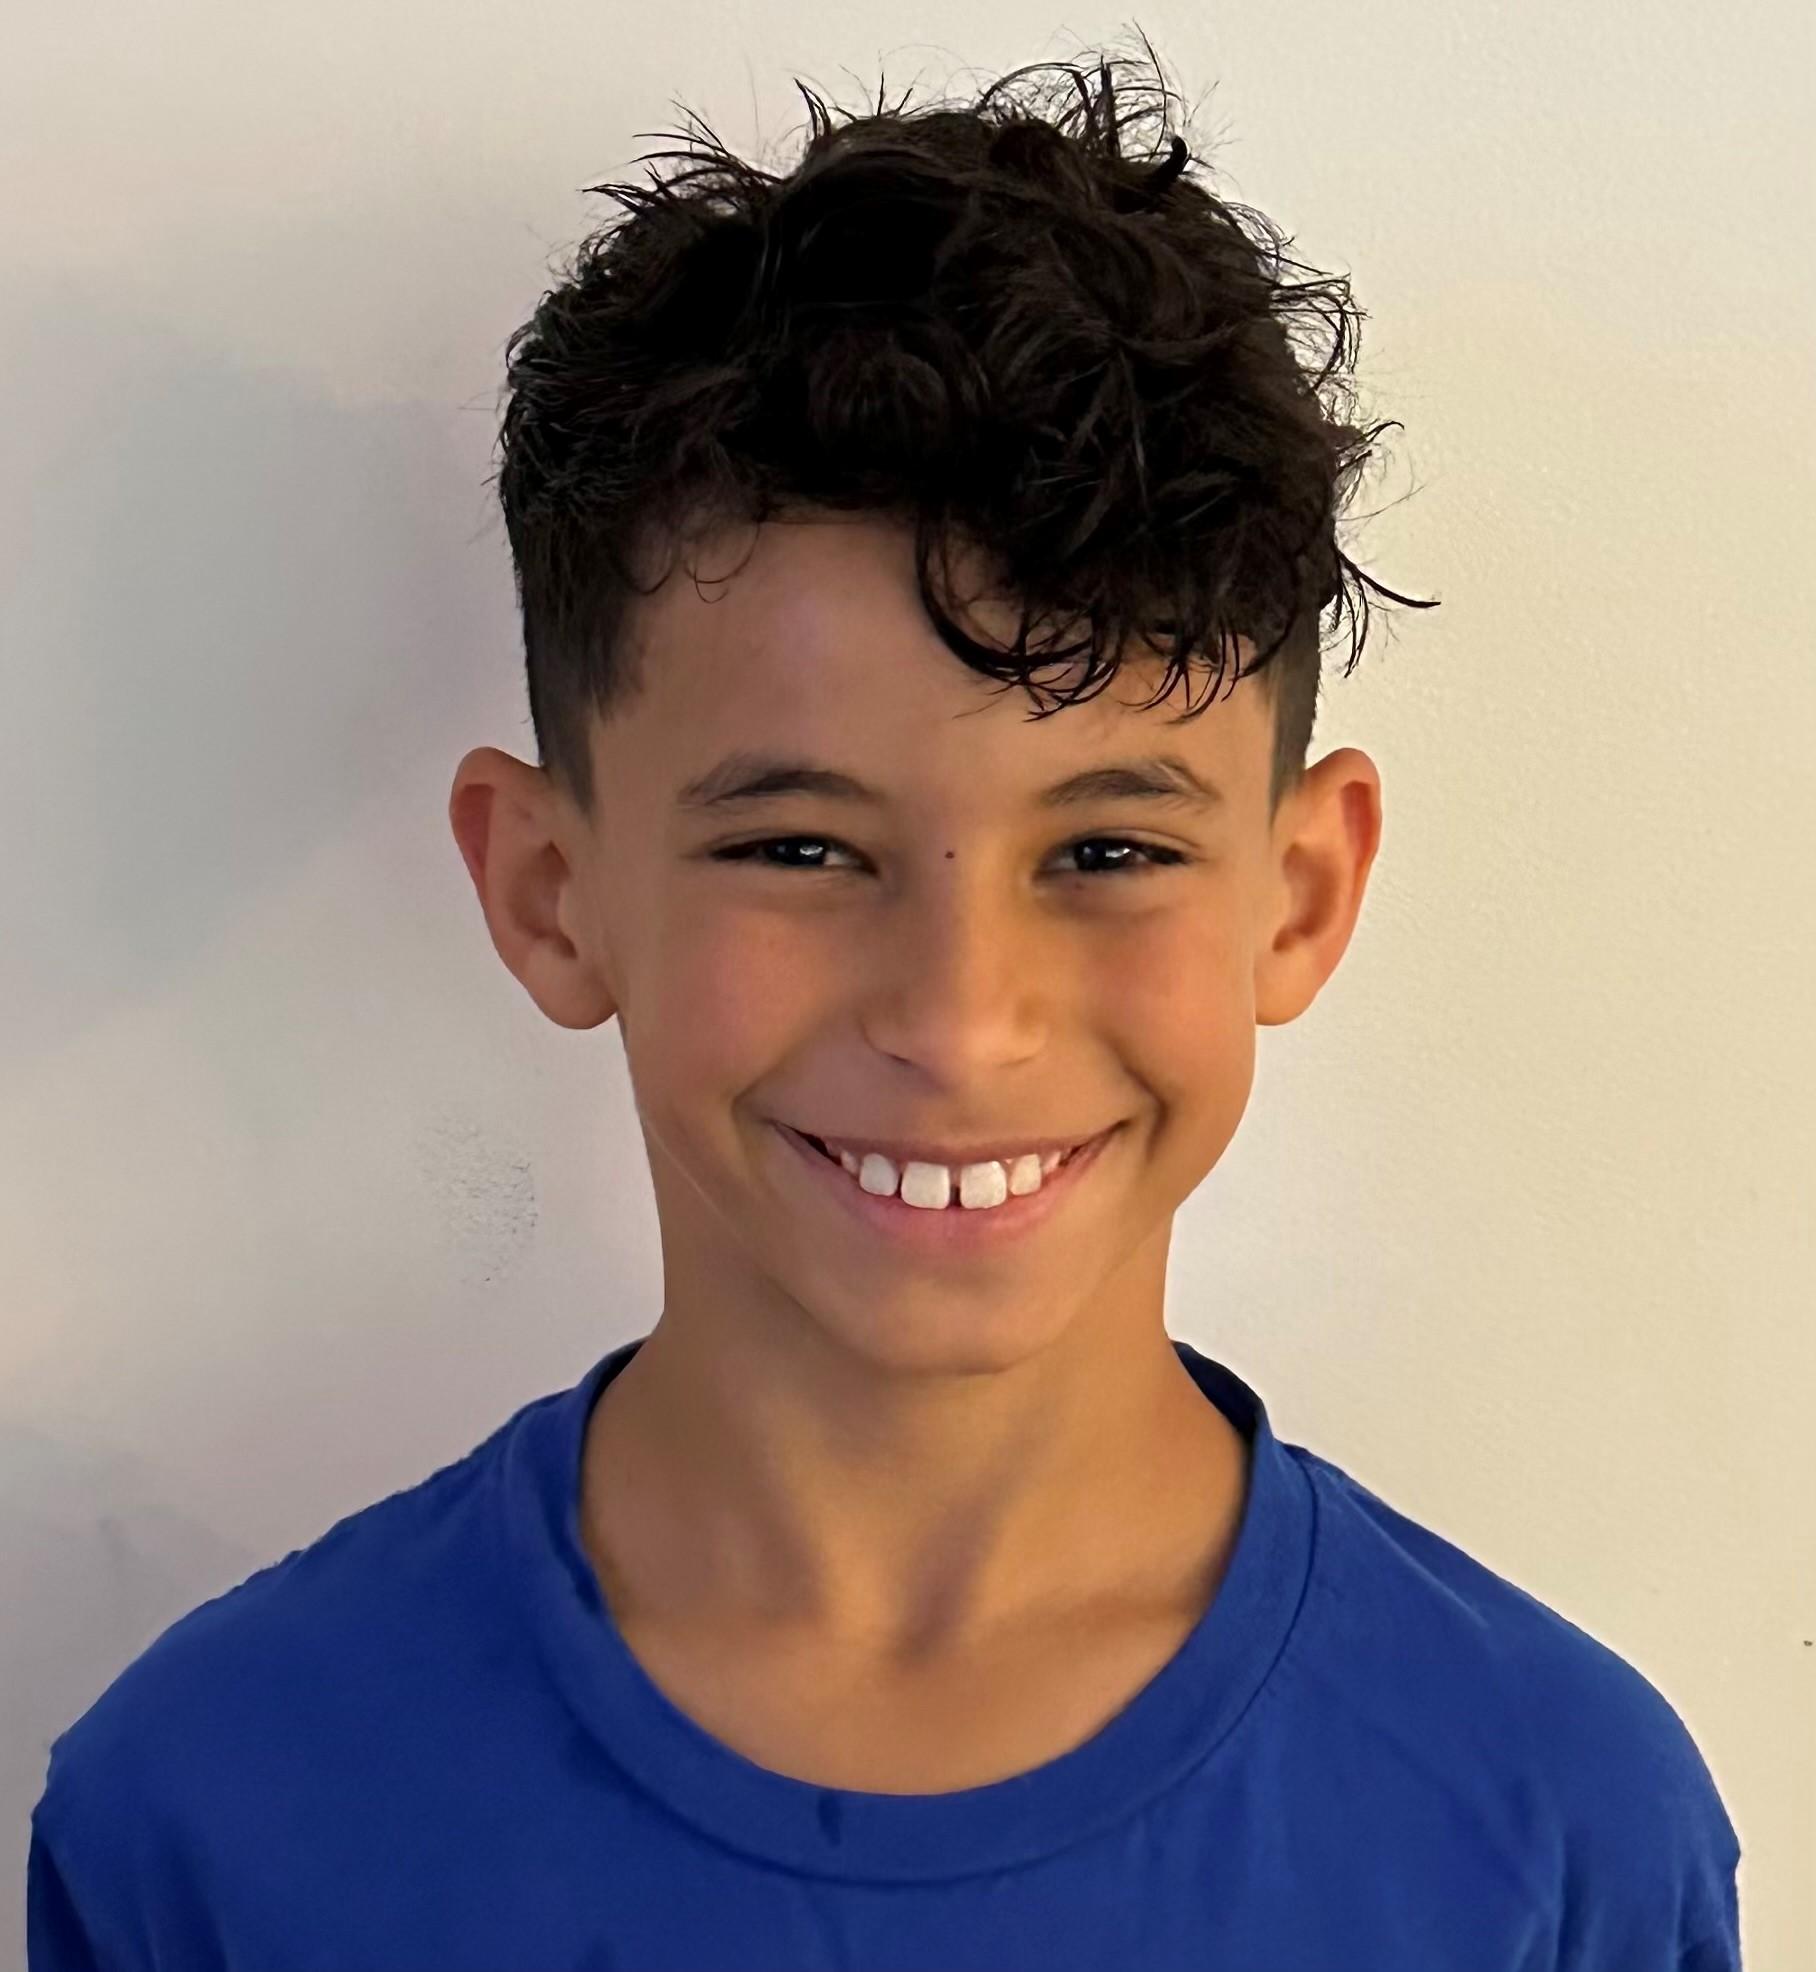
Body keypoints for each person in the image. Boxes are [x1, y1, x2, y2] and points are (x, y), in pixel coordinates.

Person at [27, 42, 1741, 1970]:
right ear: (549, 891)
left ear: (1302, 893)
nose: (960, 1018)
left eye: (1108, 850)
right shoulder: (218, 1816)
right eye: (800, 849)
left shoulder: (1556, 1831)